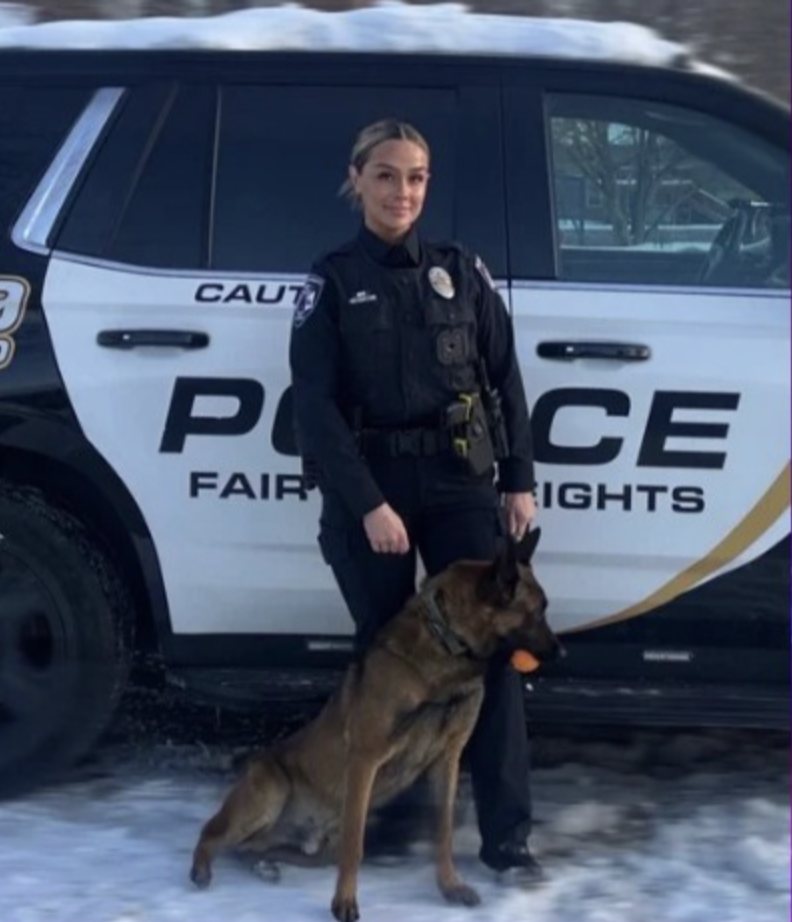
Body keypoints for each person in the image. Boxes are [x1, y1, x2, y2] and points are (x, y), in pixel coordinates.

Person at [289, 118, 540, 877]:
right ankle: (382, 821)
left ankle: (507, 838)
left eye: (418, 176)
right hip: (373, 486)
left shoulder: (462, 272)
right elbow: (315, 410)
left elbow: (505, 377)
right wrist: (368, 503)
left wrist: (520, 479)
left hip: (460, 478)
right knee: (386, 662)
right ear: (357, 178)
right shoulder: (330, 281)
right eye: (388, 175)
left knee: (492, 654)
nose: (404, 191)